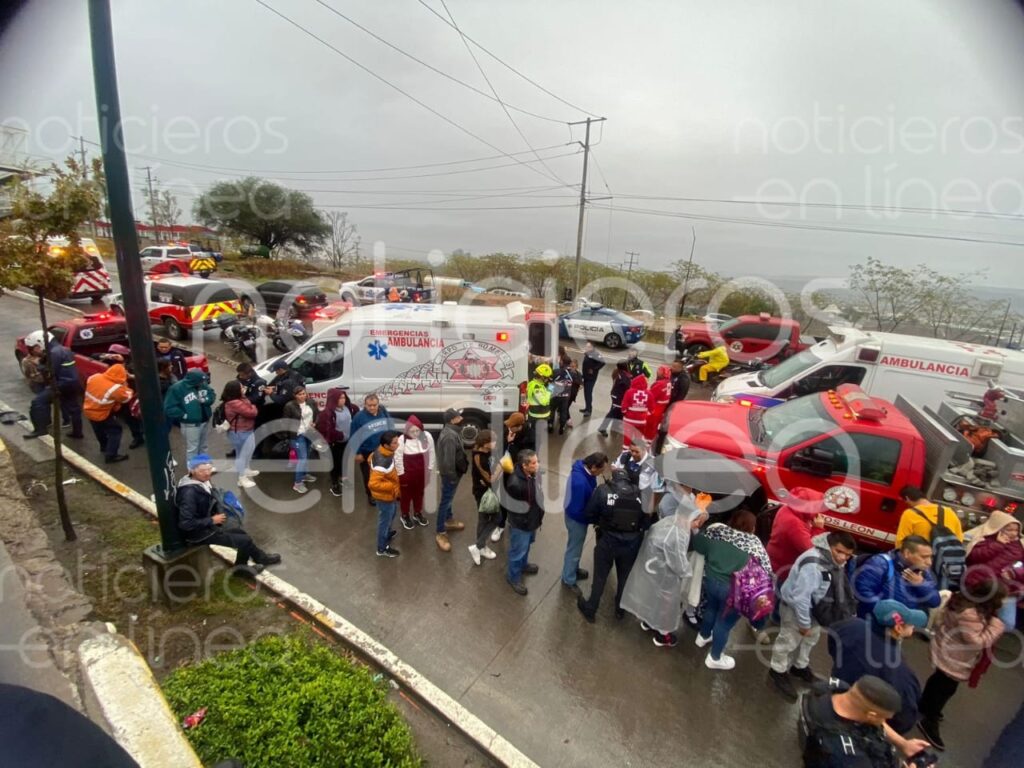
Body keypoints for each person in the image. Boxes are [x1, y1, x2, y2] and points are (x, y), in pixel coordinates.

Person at [917, 580, 1007, 751]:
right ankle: (929, 720)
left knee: (938, 681)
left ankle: (925, 705)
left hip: (947, 646)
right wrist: (995, 627)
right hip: (955, 656)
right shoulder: (970, 614)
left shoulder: (964, 600)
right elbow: (976, 642)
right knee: (946, 688)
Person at [769, 531, 857, 701]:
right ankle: (777, 670)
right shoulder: (814, 565)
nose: (843, 558)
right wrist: (804, 623)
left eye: (847, 555)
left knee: (810, 640)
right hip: (797, 611)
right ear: (828, 546)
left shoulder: (830, 559)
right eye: (839, 551)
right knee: (788, 641)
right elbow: (800, 598)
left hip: (815, 610)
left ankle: (799, 667)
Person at [621, 492, 710, 646]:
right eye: (697, 522)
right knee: (666, 607)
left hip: (653, 569)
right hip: (666, 577)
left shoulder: (670, 521)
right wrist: (688, 572)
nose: (698, 525)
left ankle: (648, 622)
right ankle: (663, 635)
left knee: (652, 599)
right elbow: (678, 563)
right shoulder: (678, 534)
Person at [828, 600, 927, 735]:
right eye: (911, 623)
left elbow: (832, 641)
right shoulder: (900, 672)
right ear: (898, 628)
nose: (914, 626)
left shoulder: (849, 625)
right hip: (864, 717)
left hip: (838, 691)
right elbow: (905, 717)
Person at [692, 510, 774, 669]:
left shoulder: (718, 534)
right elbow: (766, 572)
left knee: (711, 609)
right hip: (733, 592)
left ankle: (703, 636)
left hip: (710, 582)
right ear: (752, 528)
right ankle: (715, 658)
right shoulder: (754, 545)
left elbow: (698, 544)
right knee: (724, 623)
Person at [175, 454, 281, 576]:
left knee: (241, 533)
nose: (207, 473)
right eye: (202, 471)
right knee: (244, 540)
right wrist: (212, 520)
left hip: (208, 525)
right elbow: (186, 523)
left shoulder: (200, 481)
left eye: (209, 469)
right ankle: (241, 569)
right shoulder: (189, 493)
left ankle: (260, 558)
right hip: (199, 534)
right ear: (192, 471)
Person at [801, 676, 936, 768]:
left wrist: (903, 744)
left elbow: (874, 718)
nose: (884, 722)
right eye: (884, 718)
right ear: (871, 715)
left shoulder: (835, 689)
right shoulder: (848, 754)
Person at [577, 469, 653, 623]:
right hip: (631, 544)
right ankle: (620, 609)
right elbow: (646, 522)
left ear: (613, 478)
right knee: (624, 577)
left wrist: (601, 523)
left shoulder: (603, 490)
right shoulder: (640, 494)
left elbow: (589, 513)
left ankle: (591, 609)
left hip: (608, 540)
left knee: (600, 577)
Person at [852, 536, 941, 618]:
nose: (929, 562)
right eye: (924, 557)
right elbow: (863, 591)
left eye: (931, 557)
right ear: (907, 553)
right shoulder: (881, 563)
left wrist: (921, 584)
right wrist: (891, 615)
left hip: (905, 625)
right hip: (876, 622)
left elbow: (935, 602)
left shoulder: (924, 571)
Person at [964, 510, 1024, 629]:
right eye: (1009, 530)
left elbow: (1021, 565)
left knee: (1007, 624)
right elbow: (973, 557)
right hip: (981, 584)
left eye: (1016, 530)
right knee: (971, 619)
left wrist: (1015, 572)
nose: (1013, 533)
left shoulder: (1020, 545)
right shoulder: (984, 539)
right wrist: (998, 544)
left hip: (1007, 589)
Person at [561, 452, 608, 595]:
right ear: (593, 467)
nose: (602, 473)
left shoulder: (584, 470)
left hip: (578, 516)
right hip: (577, 520)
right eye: (601, 469)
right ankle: (568, 578)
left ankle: (573, 569)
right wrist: (593, 519)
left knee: (576, 547)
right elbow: (577, 510)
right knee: (574, 549)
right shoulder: (580, 483)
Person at [23, 330, 84, 440]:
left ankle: (40, 430)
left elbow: (50, 372)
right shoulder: (64, 349)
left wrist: (40, 365)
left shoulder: (53, 353)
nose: (35, 351)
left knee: (37, 402)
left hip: (61, 384)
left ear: (40, 343)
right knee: (74, 408)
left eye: (35, 348)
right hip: (73, 382)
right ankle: (77, 432)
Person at [766, 487, 829, 583]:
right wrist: (818, 529)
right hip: (783, 571)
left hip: (775, 560)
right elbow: (810, 550)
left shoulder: (787, 509)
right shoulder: (794, 524)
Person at [504, 449, 544, 596]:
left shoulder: (532, 474)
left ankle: (523, 565)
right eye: (534, 463)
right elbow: (515, 509)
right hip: (522, 525)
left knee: (526, 546)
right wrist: (527, 522)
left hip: (532, 520)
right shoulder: (515, 484)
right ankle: (513, 577)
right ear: (524, 465)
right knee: (517, 551)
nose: (537, 465)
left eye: (537, 461)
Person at [82, 363, 133, 463]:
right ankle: (111, 455)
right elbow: (127, 397)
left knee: (99, 430)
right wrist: (125, 384)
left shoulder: (94, 377)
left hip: (88, 409)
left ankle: (104, 446)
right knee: (115, 430)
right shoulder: (115, 389)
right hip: (102, 413)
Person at [350, 394, 395, 507]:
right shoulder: (358, 418)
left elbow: (390, 426)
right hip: (367, 452)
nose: (372, 407)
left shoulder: (383, 412)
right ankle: (371, 495)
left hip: (383, 450)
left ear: (378, 404)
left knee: (386, 472)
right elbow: (353, 436)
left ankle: (385, 491)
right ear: (365, 405)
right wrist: (357, 453)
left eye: (374, 405)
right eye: (369, 405)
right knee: (369, 476)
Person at [163, 369, 215, 463]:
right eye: (201, 381)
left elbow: (212, 395)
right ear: (193, 381)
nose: (203, 382)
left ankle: (204, 467)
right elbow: (169, 408)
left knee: (203, 446)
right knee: (193, 449)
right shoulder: (177, 388)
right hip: (191, 425)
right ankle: (193, 470)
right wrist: (184, 416)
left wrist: (205, 400)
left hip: (205, 421)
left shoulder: (203, 384)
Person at [492, 412, 529, 542]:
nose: (509, 428)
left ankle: (515, 523)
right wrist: (506, 442)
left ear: (519, 427)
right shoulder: (506, 431)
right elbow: (498, 450)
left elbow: (526, 456)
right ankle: (500, 525)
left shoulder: (528, 436)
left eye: (512, 426)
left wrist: (512, 444)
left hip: (519, 474)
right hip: (505, 472)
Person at [315, 388, 358, 497]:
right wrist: (341, 435)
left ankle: (344, 479)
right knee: (335, 464)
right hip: (335, 443)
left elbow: (355, 417)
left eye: (344, 397)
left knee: (346, 461)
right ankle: (334, 484)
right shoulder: (327, 413)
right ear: (333, 399)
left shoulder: (349, 408)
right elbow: (324, 429)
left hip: (347, 442)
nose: (343, 400)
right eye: (340, 398)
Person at [435, 408, 468, 551]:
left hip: (453, 474)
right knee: (445, 501)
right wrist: (452, 477)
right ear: (452, 420)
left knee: (448, 499)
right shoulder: (449, 436)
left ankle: (449, 520)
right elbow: (448, 462)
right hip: (450, 475)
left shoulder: (453, 431)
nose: (461, 419)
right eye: (458, 417)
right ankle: (440, 532)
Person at [396, 414, 435, 529]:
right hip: (407, 475)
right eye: (412, 431)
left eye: (417, 431)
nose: (415, 433)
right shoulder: (402, 439)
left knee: (419, 494)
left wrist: (430, 469)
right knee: (406, 496)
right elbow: (398, 458)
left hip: (422, 473)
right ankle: (405, 515)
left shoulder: (427, 436)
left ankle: (417, 513)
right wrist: (401, 475)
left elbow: (432, 452)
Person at [894, 485, 964, 548]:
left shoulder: (910, 514)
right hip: (945, 556)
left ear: (907, 498)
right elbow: (959, 539)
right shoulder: (949, 512)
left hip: (922, 556)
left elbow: (901, 541)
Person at [220, 380, 259, 489]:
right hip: (240, 432)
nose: (243, 388)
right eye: (241, 387)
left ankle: (246, 470)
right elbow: (252, 413)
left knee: (248, 451)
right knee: (242, 455)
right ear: (236, 390)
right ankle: (242, 478)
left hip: (246, 430)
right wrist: (254, 406)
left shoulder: (239, 399)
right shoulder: (234, 403)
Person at [468, 430, 499, 565]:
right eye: (493, 441)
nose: (495, 443)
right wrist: (500, 469)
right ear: (485, 443)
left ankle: (480, 547)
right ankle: (479, 546)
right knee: (494, 518)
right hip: (483, 494)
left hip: (487, 491)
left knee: (484, 519)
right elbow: (490, 479)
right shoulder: (479, 457)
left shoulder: (487, 452)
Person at [369, 431, 402, 558]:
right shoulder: (383, 462)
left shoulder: (382, 451)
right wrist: (392, 487)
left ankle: (387, 533)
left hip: (389, 495)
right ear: (386, 445)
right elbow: (373, 484)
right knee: (385, 521)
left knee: (392, 513)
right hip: (385, 497)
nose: (398, 444)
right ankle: (382, 548)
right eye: (395, 443)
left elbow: (369, 458)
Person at [282, 385, 319, 494]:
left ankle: (304, 475)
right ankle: (297, 483)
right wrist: (287, 437)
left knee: (306, 456)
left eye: (304, 393)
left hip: (308, 433)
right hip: (297, 435)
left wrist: (315, 423)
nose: (303, 396)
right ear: (295, 396)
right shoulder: (289, 406)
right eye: (300, 394)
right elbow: (285, 422)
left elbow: (317, 414)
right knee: (302, 459)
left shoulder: (311, 402)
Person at [613, 439, 658, 515]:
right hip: (623, 493)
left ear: (644, 450)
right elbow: (613, 466)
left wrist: (650, 509)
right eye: (632, 450)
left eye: (637, 452)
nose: (633, 454)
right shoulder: (625, 455)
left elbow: (656, 490)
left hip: (641, 498)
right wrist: (619, 471)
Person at [597, 361, 630, 438]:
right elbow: (626, 385)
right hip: (618, 396)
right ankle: (603, 427)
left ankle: (616, 426)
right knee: (613, 412)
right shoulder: (622, 376)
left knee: (619, 412)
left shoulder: (619, 373)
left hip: (617, 395)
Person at [620, 374, 650, 448]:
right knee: (638, 436)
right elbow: (652, 408)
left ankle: (625, 449)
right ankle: (637, 450)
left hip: (629, 419)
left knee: (627, 436)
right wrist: (647, 415)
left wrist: (624, 412)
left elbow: (624, 406)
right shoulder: (649, 394)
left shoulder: (629, 392)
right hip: (642, 421)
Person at [644, 365, 672, 441]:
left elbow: (651, 396)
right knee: (655, 424)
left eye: (659, 370)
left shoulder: (660, 383)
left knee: (650, 424)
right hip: (661, 408)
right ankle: (651, 438)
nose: (657, 372)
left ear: (664, 373)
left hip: (655, 407)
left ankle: (648, 439)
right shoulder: (668, 382)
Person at [526, 362, 553, 439]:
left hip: (537, 416)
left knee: (535, 436)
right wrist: (549, 390)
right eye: (547, 378)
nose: (548, 380)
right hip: (538, 417)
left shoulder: (535, 384)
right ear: (542, 377)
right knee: (537, 438)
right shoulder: (536, 387)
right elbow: (544, 401)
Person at [580, 342, 605, 417]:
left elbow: (603, 362)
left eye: (588, 346)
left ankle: (589, 410)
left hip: (591, 378)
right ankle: (587, 407)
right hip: (586, 376)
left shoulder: (595, 354)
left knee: (588, 393)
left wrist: (594, 369)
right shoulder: (587, 353)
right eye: (586, 346)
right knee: (586, 393)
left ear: (592, 347)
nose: (586, 347)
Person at [550, 362, 575, 435]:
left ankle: (550, 425)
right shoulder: (572, 374)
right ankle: (562, 427)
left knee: (552, 410)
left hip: (555, 396)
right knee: (563, 411)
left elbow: (551, 382)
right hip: (565, 397)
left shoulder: (555, 371)